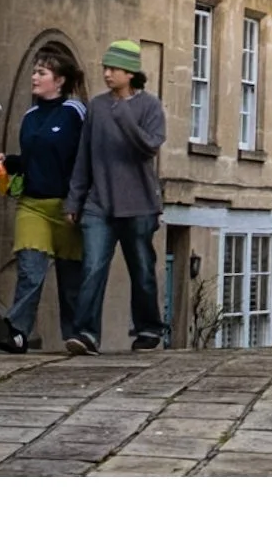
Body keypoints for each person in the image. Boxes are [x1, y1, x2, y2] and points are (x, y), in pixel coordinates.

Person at [62, 40, 169, 354]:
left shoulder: (150, 106)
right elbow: (84, 155)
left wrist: (124, 115)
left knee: (142, 270)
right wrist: (74, 200)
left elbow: (148, 146)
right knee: (92, 267)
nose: (107, 74)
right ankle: (85, 334)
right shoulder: (96, 106)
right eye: (105, 69)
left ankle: (148, 330)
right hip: (99, 203)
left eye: (113, 69)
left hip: (139, 205)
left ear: (130, 72)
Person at [0, 52, 87, 354]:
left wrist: (78, 201)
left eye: (41, 72)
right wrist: (9, 162)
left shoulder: (75, 112)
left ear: (59, 81)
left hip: (66, 206)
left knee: (71, 279)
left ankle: (77, 336)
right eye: (34, 71)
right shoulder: (30, 117)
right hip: (32, 204)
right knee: (29, 271)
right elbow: (32, 160)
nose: (34, 77)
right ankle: (18, 333)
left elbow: (83, 159)